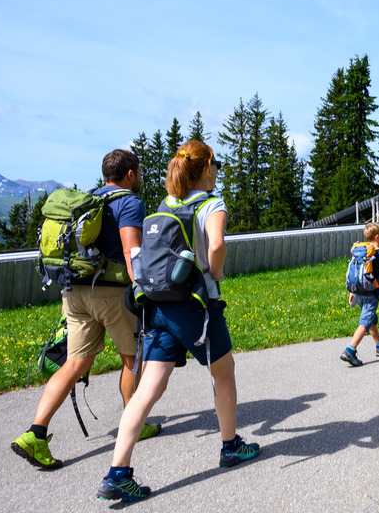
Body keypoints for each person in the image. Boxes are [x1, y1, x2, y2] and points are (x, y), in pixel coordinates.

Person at [96, 141, 259, 502]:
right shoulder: (212, 203)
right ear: (205, 169)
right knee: (223, 372)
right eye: (216, 163)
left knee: (148, 389)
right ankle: (231, 446)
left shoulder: (165, 205)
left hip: (159, 306)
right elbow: (215, 246)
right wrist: (214, 273)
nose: (218, 169)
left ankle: (117, 472)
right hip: (197, 306)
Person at [12, 149, 160, 470]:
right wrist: (141, 288)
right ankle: (133, 422)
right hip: (111, 293)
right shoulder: (129, 202)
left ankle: (35, 433)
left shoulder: (87, 201)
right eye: (139, 172)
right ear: (131, 174)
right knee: (133, 358)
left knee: (75, 363)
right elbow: (131, 249)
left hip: (74, 291)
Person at [340, 222, 379, 367]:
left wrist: (353, 291)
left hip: (359, 291)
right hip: (372, 292)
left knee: (371, 318)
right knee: (365, 321)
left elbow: (357, 272)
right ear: (377, 237)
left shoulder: (361, 250)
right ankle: (350, 349)